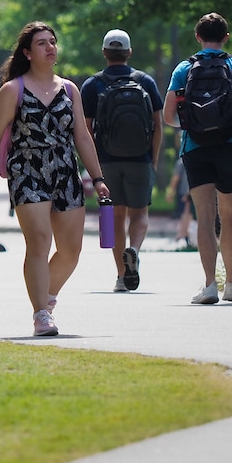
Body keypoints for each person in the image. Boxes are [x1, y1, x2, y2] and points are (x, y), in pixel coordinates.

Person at [0, 21, 111, 337]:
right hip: (27, 171)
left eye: (53, 42)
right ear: (27, 53)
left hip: (65, 171)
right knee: (40, 241)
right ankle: (41, 314)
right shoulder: (13, 89)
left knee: (71, 250)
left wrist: (98, 178)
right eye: (42, 43)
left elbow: (83, 137)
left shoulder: (69, 89)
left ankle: (45, 294)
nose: (50, 47)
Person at [163, 12, 232, 304]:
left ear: (198, 37)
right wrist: (228, 121)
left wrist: (193, 124)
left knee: (204, 217)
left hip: (195, 148)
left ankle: (209, 285)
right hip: (230, 147)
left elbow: (168, 117)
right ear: (226, 37)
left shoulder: (183, 69)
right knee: (228, 216)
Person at [81, 28, 163, 292]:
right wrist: (153, 158)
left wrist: (94, 169)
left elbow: (86, 130)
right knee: (139, 214)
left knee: (116, 216)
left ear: (104, 53)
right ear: (129, 53)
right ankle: (134, 249)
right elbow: (158, 125)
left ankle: (120, 276)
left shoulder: (92, 85)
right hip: (140, 158)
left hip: (106, 160)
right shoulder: (145, 81)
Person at [165, 156, 195, 249]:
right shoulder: (196, 158)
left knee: (186, 214)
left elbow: (175, 178)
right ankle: (184, 235)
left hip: (186, 191)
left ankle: (182, 234)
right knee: (188, 214)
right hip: (196, 190)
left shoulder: (181, 162)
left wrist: (170, 192)